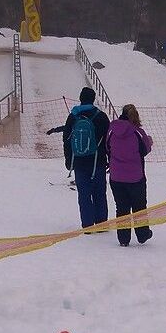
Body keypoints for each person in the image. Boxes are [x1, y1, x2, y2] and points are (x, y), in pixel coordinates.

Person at [62, 87, 110, 229]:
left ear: (80, 98)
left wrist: (69, 161)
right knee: (99, 193)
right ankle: (101, 224)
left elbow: (66, 139)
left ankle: (87, 225)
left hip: (79, 162)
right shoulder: (101, 116)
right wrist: (109, 159)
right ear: (93, 99)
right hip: (98, 162)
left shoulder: (73, 116)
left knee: (84, 194)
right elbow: (108, 140)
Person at [107, 104, 154, 246]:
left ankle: (123, 239)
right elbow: (145, 149)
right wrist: (150, 141)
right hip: (136, 177)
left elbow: (107, 148)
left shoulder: (111, 130)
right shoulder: (138, 132)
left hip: (116, 176)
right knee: (139, 206)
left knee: (121, 207)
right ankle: (142, 234)